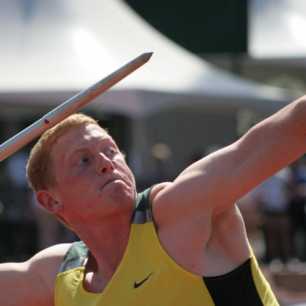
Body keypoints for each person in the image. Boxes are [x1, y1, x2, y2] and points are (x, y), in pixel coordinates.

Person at [2, 95, 306, 306]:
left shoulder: (178, 213)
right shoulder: (60, 275)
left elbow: (286, 131)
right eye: (83, 160)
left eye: (111, 150)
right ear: (51, 201)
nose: (107, 163)